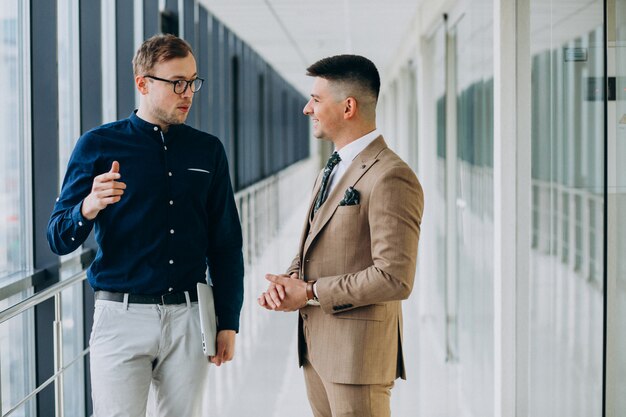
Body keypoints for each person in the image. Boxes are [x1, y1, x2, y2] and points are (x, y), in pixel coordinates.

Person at [47, 34, 244, 417]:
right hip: (120, 319)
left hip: (189, 317)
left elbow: (226, 242)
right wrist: (88, 206)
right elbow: (58, 238)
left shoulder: (208, 150)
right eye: (176, 83)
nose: (187, 92)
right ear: (143, 83)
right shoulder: (98, 146)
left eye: (192, 81)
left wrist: (228, 320)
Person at [258, 55, 424, 417]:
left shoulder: (391, 176)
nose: (307, 109)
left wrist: (312, 291)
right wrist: (289, 281)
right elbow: (316, 242)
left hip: (356, 360)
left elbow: (394, 277)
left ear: (348, 106)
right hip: (317, 350)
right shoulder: (331, 168)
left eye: (316, 100)